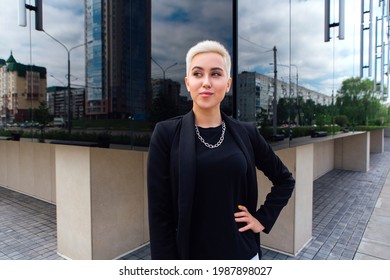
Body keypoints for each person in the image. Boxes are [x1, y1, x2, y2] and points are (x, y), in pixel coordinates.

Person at [147, 40, 295, 260]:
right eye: (198, 74)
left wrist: (262, 218)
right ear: (188, 83)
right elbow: (160, 214)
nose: (206, 82)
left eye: (216, 74)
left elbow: (285, 180)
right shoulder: (166, 134)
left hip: (242, 255)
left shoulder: (247, 133)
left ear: (227, 84)